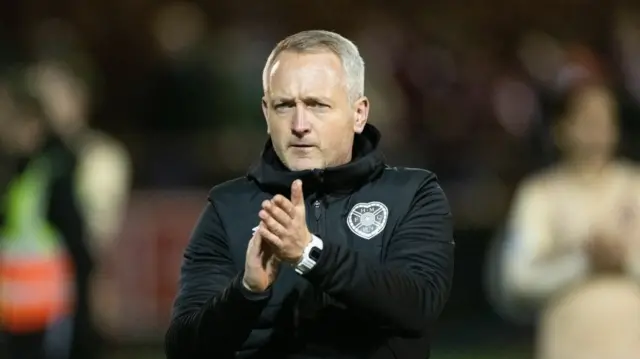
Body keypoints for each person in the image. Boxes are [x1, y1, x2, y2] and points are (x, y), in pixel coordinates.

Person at [165, 30, 455, 359]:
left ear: (358, 114)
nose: (299, 124)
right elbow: (184, 350)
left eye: (317, 105)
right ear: (265, 112)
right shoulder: (227, 207)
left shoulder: (411, 194)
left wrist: (309, 253)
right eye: (284, 105)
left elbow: (418, 305)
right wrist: (245, 293)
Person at [500, 84, 640, 359]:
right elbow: (517, 279)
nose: (597, 126)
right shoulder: (540, 195)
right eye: (586, 117)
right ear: (561, 129)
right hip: (567, 347)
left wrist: (624, 260)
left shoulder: (635, 187)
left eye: (605, 117)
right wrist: (584, 262)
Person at [29, 59, 132, 359]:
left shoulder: (100, 157)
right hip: (28, 294)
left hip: (74, 287)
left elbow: (97, 233)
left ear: (79, 99)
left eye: (53, 96)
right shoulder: (29, 159)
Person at [0, 74, 92, 359]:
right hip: (15, 310)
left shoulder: (53, 173)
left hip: (46, 311)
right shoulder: (20, 173)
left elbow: (76, 243)